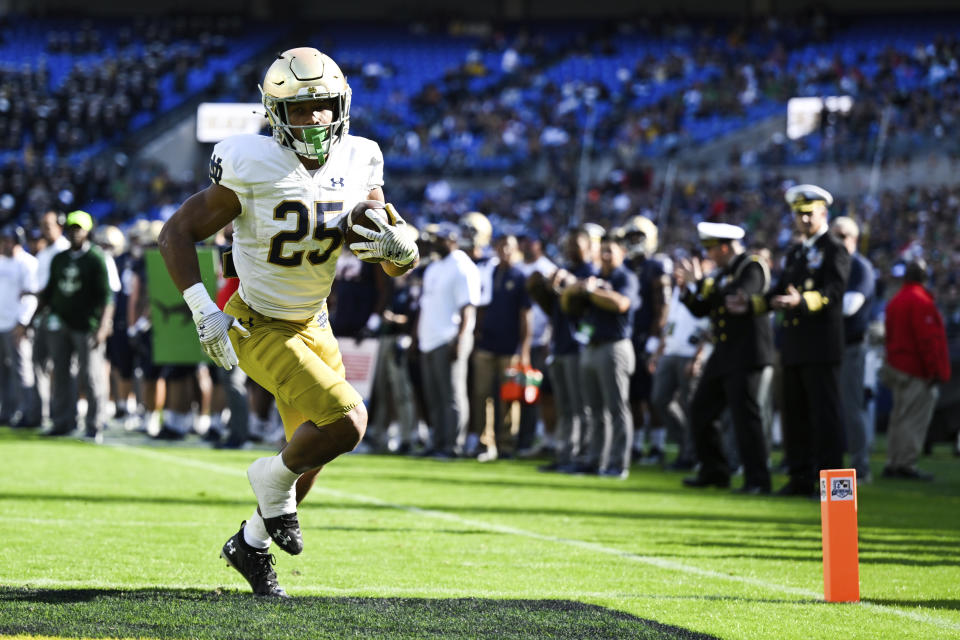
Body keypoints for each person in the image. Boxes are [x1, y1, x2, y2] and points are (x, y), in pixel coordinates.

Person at [158, 47, 419, 598]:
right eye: (300, 110)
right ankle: (268, 480)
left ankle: (249, 544)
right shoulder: (251, 161)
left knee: (313, 454)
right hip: (260, 323)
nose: (315, 119)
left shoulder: (360, 158)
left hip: (314, 322)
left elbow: (385, 253)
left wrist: (405, 247)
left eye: (323, 105)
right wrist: (203, 307)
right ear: (275, 112)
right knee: (348, 422)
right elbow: (176, 232)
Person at [749, 184, 850, 498]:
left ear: (823, 213)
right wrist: (752, 303)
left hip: (820, 346)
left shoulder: (835, 249)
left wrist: (803, 302)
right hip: (793, 346)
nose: (804, 220)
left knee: (824, 416)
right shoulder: (795, 251)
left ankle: (830, 485)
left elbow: (834, 292)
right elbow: (779, 290)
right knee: (794, 416)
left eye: (809, 213)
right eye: (799, 214)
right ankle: (800, 477)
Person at [679, 223, 775, 494]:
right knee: (701, 409)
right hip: (724, 354)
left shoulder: (752, 266)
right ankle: (715, 471)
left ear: (723, 247)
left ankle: (757, 479)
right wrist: (689, 291)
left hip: (746, 354)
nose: (708, 255)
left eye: (710, 248)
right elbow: (704, 308)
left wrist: (701, 283)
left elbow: (737, 298)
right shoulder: (724, 273)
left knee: (746, 417)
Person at [31, 210, 114, 440]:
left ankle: (94, 425)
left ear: (87, 231)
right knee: (61, 373)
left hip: (87, 325)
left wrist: (103, 326)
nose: (74, 232)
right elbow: (49, 293)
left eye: (78, 228)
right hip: (60, 322)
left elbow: (107, 296)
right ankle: (62, 422)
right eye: (71, 228)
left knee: (91, 375)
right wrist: (31, 320)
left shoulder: (96, 258)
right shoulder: (60, 258)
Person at [568, 234, 639, 478]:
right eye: (603, 251)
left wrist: (591, 291)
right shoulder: (597, 278)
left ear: (622, 253)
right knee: (593, 410)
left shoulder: (625, 277)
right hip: (592, 345)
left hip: (614, 347)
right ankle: (595, 460)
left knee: (617, 408)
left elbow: (621, 304)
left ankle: (619, 464)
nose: (606, 256)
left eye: (611, 251)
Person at [881, 259, 950, 481]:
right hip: (916, 370)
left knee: (899, 417)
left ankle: (893, 461)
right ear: (924, 277)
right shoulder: (921, 301)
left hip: (896, 367)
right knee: (913, 419)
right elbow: (928, 340)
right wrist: (935, 371)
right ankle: (905, 464)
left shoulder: (895, 301)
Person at [416, 222, 481, 458]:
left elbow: (468, 308)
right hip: (429, 339)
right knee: (434, 396)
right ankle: (437, 442)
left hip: (449, 337)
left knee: (452, 395)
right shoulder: (434, 267)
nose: (435, 243)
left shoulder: (463, 266)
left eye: (440, 239)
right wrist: (417, 338)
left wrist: (461, 339)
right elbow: (425, 306)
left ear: (452, 240)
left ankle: (453, 444)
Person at [470, 233, 532, 462]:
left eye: (510, 247)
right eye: (502, 246)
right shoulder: (489, 272)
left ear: (515, 250)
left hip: (509, 347)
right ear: (496, 248)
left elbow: (526, 316)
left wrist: (523, 350)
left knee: (508, 397)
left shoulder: (520, 276)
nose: (505, 251)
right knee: (481, 395)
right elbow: (481, 307)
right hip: (486, 344)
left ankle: (507, 444)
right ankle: (485, 443)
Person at [830, 216, 876, 482]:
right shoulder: (834, 264)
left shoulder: (859, 267)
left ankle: (860, 466)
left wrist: (819, 304)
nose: (837, 240)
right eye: (834, 235)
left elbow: (850, 305)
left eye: (843, 235)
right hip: (829, 347)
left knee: (851, 406)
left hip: (850, 347)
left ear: (854, 239)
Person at [0, 225, 39, 428]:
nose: (5, 244)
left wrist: (23, 322)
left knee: (22, 370)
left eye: (8, 240)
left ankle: (28, 412)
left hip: (16, 324)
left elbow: (31, 297)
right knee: (3, 372)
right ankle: (6, 411)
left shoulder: (28, 263)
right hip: (0, 322)